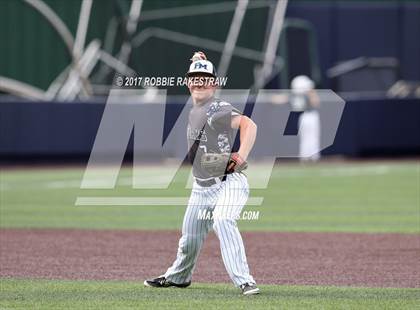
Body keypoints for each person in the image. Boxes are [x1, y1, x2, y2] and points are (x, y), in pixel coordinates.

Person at [144, 52, 259, 296]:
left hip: (228, 182)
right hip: (201, 186)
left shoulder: (217, 107)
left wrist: (241, 155)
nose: (199, 81)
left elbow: (249, 125)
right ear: (187, 82)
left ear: (215, 84)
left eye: (205, 77)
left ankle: (245, 280)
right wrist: (198, 60)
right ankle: (179, 277)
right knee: (190, 239)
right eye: (194, 77)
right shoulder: (197, 107)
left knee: (223, 220)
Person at [290, 75, 321, 161]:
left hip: (303, 116)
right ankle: (312, 157)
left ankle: (306, 157)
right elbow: (315, 102)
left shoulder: (297, 95)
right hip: (310, 115)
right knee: (311, 137)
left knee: (306, 137)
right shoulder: (307, 94)